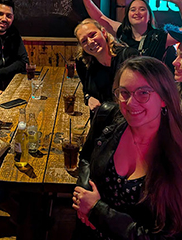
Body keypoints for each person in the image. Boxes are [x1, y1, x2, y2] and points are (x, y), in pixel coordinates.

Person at [72, 56, 182, 239]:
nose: (130, 103)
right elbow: (86, 158)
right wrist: (83, 194)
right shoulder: (108, 116)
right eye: (124, 92)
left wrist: (96, 211)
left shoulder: (177, 154)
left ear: (164, 99)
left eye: (143, 93)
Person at [80, 0, 180, 72]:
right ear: (127, 15)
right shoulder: (123, 32)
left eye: (142, 9)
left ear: (149, 16)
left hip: (152, 87)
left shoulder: (160, 36)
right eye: (133, 9)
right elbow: (99, 18)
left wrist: (180, 4)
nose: (137, 12)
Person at [74, 18, 139, 112]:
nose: (90, 42)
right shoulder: (83, 63)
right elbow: (86, 90)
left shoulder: (129, 56)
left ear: (103, 32)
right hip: (102, 121)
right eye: (84, 41)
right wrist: (89, 99)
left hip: (128, 119)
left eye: (92, 35)